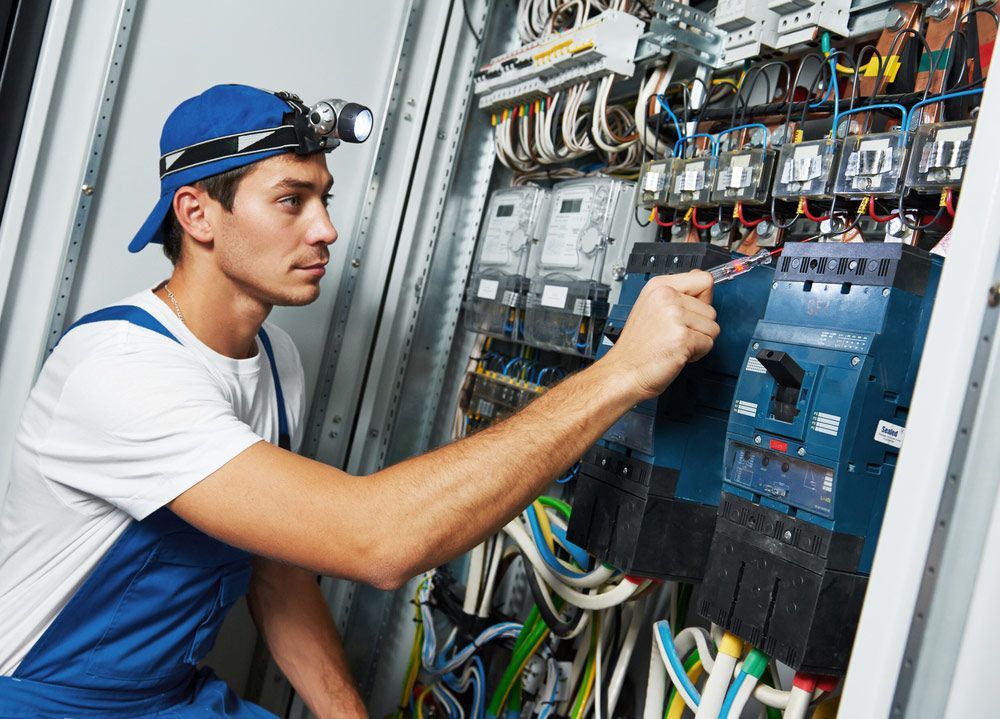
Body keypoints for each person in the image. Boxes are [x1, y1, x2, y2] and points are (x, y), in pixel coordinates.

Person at [0, 84, 718, 719]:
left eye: (324, 199)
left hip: (170, 695)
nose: (326, 229)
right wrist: (621, 372)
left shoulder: (277, 361)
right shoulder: (121, 369)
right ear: (197, 214)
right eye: (291, 200)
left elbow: (276, 570)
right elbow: (375, 540)